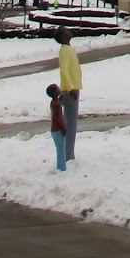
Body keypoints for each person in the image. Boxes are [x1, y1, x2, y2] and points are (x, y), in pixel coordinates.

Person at [56, 26, 81, 162]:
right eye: (66, 31)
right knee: (70, 125)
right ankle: (67, 155)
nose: (69, 31)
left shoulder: (68, 49)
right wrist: (71, 89)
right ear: (63, 36)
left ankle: (69, 154)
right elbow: (63, 71)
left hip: (72, 89)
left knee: (72, 125)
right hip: (69, 91)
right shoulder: (64, 51)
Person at [46, 83, 67, 173]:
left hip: (54, 130)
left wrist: (60, 100)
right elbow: (58, 117)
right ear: (55, 93)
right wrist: (63, 128)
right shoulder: (56, 105)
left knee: (60, 148)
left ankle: (61, 167)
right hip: (58, 130)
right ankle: (61, 168)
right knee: (61, 150)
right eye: (58, 88)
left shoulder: (54, 102)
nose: (59, 89)